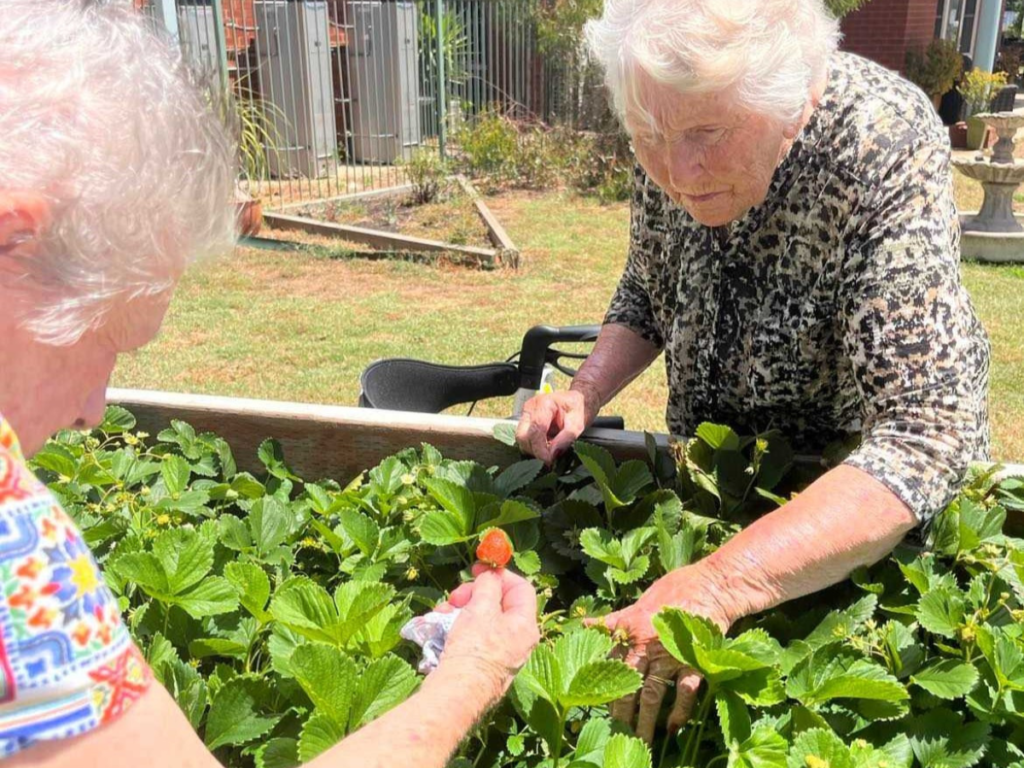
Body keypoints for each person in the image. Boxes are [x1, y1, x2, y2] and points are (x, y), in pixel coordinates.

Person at [0, 2, 538, 764]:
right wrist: (473, 674)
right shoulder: (12, 538)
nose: (93, 411)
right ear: (12, 245)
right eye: (107, 339)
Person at [515, 0, 990, 743]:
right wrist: (586, 392)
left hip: (841, 529)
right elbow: (647, 286)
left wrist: (717, 584)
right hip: (715, 484)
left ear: (794, 100)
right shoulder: (671, 121)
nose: (677, 171)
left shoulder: (882, 141)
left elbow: (925, 432)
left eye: (706, 133)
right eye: (649, 138)